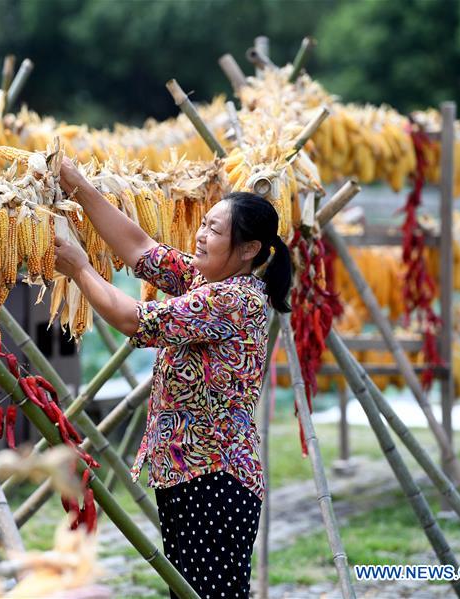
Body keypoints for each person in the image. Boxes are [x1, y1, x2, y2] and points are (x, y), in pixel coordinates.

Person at [54, 158, 292, 599]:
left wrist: (81, 269)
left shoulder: (232, 300)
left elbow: (132, 318)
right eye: (204, 224)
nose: (201, 236)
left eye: (215, 231)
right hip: (188, 478)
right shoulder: (204, 280)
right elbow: (141, 249)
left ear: (248, 249)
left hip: (215, 482)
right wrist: (81, 189)